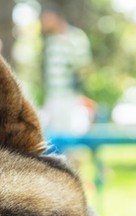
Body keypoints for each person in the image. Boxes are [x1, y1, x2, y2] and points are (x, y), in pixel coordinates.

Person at [40, 6, 93, 134]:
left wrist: (77, 90)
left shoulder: (76, 36)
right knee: (52, 132)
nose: (43, 23)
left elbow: (84, 67)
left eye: (45, 19)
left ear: (55, 18)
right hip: (52, 95)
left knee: (71, 132)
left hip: (70, 97)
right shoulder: (51, 41)